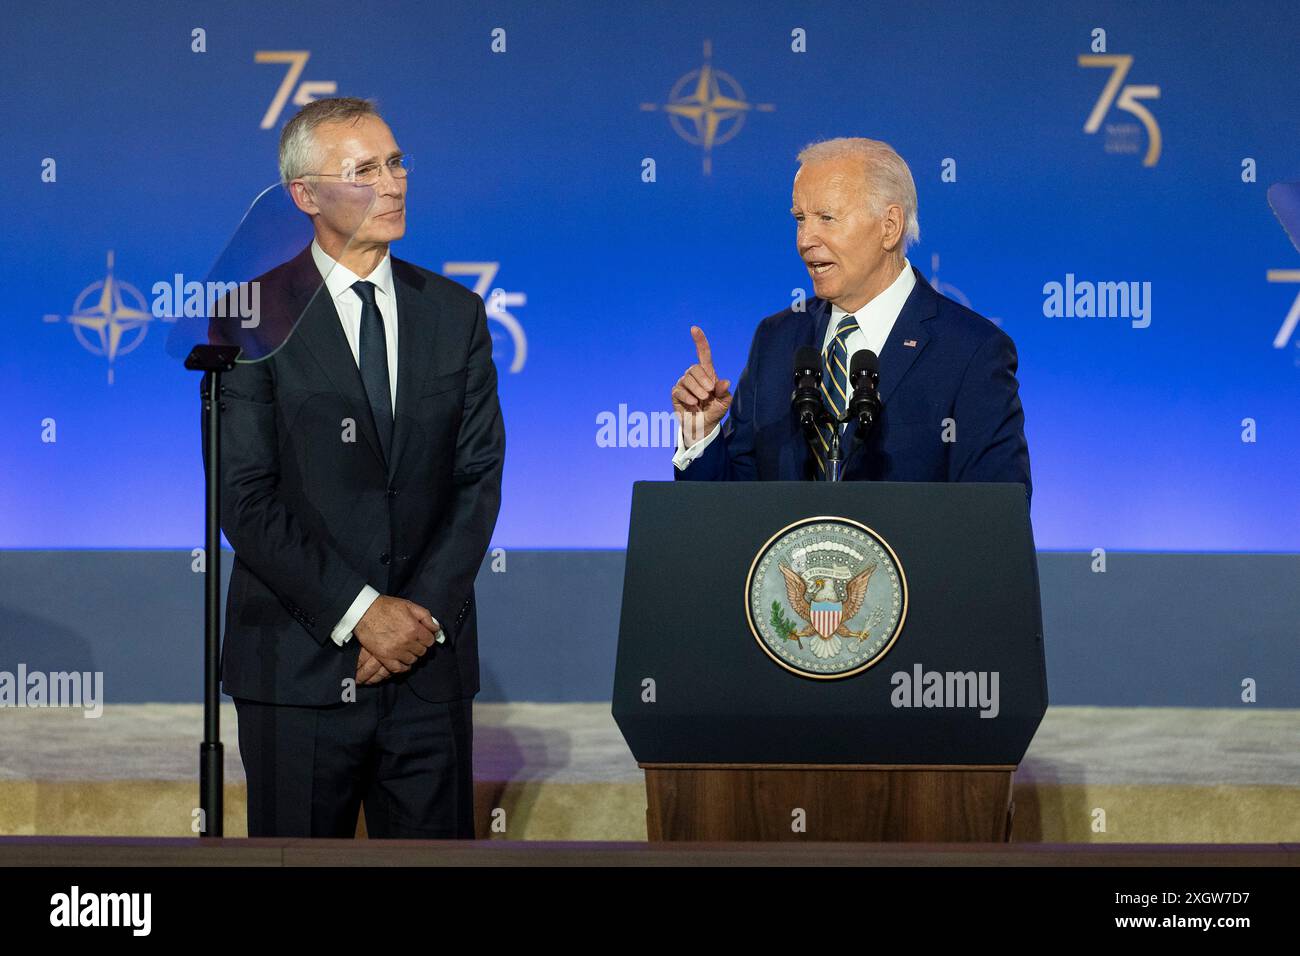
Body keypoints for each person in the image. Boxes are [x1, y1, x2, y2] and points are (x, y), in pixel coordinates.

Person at [204, 97, 504, 838]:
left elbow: (477, 481)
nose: (393, 183)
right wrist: (362, 614)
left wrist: (415, 618)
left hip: (427, 674)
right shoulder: (250, 314)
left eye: (396, 162)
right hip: (298, 672)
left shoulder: (455, 313)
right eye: (364, 170)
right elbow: (244, 497)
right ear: (305, 195)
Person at [670, 137, 1031, 501]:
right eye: (800, 219)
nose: (805, 240)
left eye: (827, 218)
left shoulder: (971, 352)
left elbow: (994, 515)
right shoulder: (776, 339)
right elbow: (731, 513)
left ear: (889, 226)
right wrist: (701, 435)